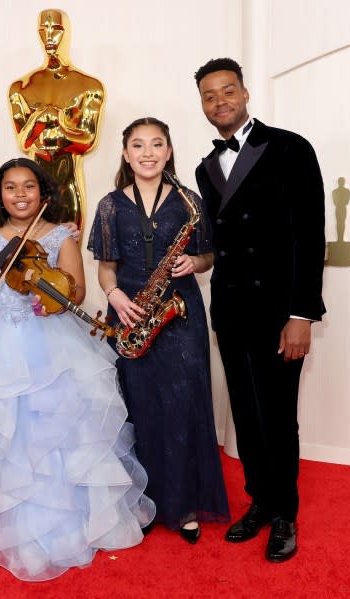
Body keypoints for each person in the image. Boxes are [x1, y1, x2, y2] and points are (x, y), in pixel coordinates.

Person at [0, 158, 155, 582]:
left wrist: (54, 293)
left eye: (29, 186)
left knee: (55, 428)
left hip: (50, 338)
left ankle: (63, 517)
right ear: (0, 195)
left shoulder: (62, 234)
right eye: (11, 187)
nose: (21, 195)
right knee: (0, 427)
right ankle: (1, 516)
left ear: (44, 193)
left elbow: (76, 288)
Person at [193, 58, 326, 562]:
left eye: (228, 91)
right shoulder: (206, 168)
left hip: (279, 310)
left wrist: (301, 314)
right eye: (210, 95)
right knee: (245, 414)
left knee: (278, 414)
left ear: (245, 94)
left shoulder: (291, 147)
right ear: (203, 105)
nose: (220, 101)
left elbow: (310, 236)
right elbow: (216, 241)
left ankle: (286, 513)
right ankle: (261, 502)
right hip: (229, 309)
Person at [87, 117, 230, 544]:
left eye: (156, 144)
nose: (147, 153)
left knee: (183, 404)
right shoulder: (110, 205)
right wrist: (114, 297)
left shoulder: (190, 201)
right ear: (126, 153)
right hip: (130, 312)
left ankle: (185, 505)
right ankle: (142, 503)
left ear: (168, 151)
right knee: (138, 405)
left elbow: (207, 256)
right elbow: (105, 269)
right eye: (138, 145)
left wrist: (196, 263)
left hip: (180, 314)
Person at [8, 8, 104, 233]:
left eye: (56, 29)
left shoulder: (88, 86)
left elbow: (87, 141)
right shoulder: (21, 87)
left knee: (69, 254)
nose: (49, 36)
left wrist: (58, 125)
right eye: (43, 30)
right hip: (35, 184)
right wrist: (41, 118)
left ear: (67, 32)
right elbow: (24, 142)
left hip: (68, 180)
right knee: (34, 255)